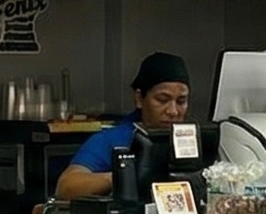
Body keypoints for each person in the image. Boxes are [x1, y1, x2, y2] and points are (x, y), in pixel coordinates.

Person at [55, 53, 195, 201]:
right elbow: (66, 187)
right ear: (139, 99)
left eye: (181, 101)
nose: (173, 111)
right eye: (162, 100)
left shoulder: (194, 141)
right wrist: (125, 176)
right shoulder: (113, 139)